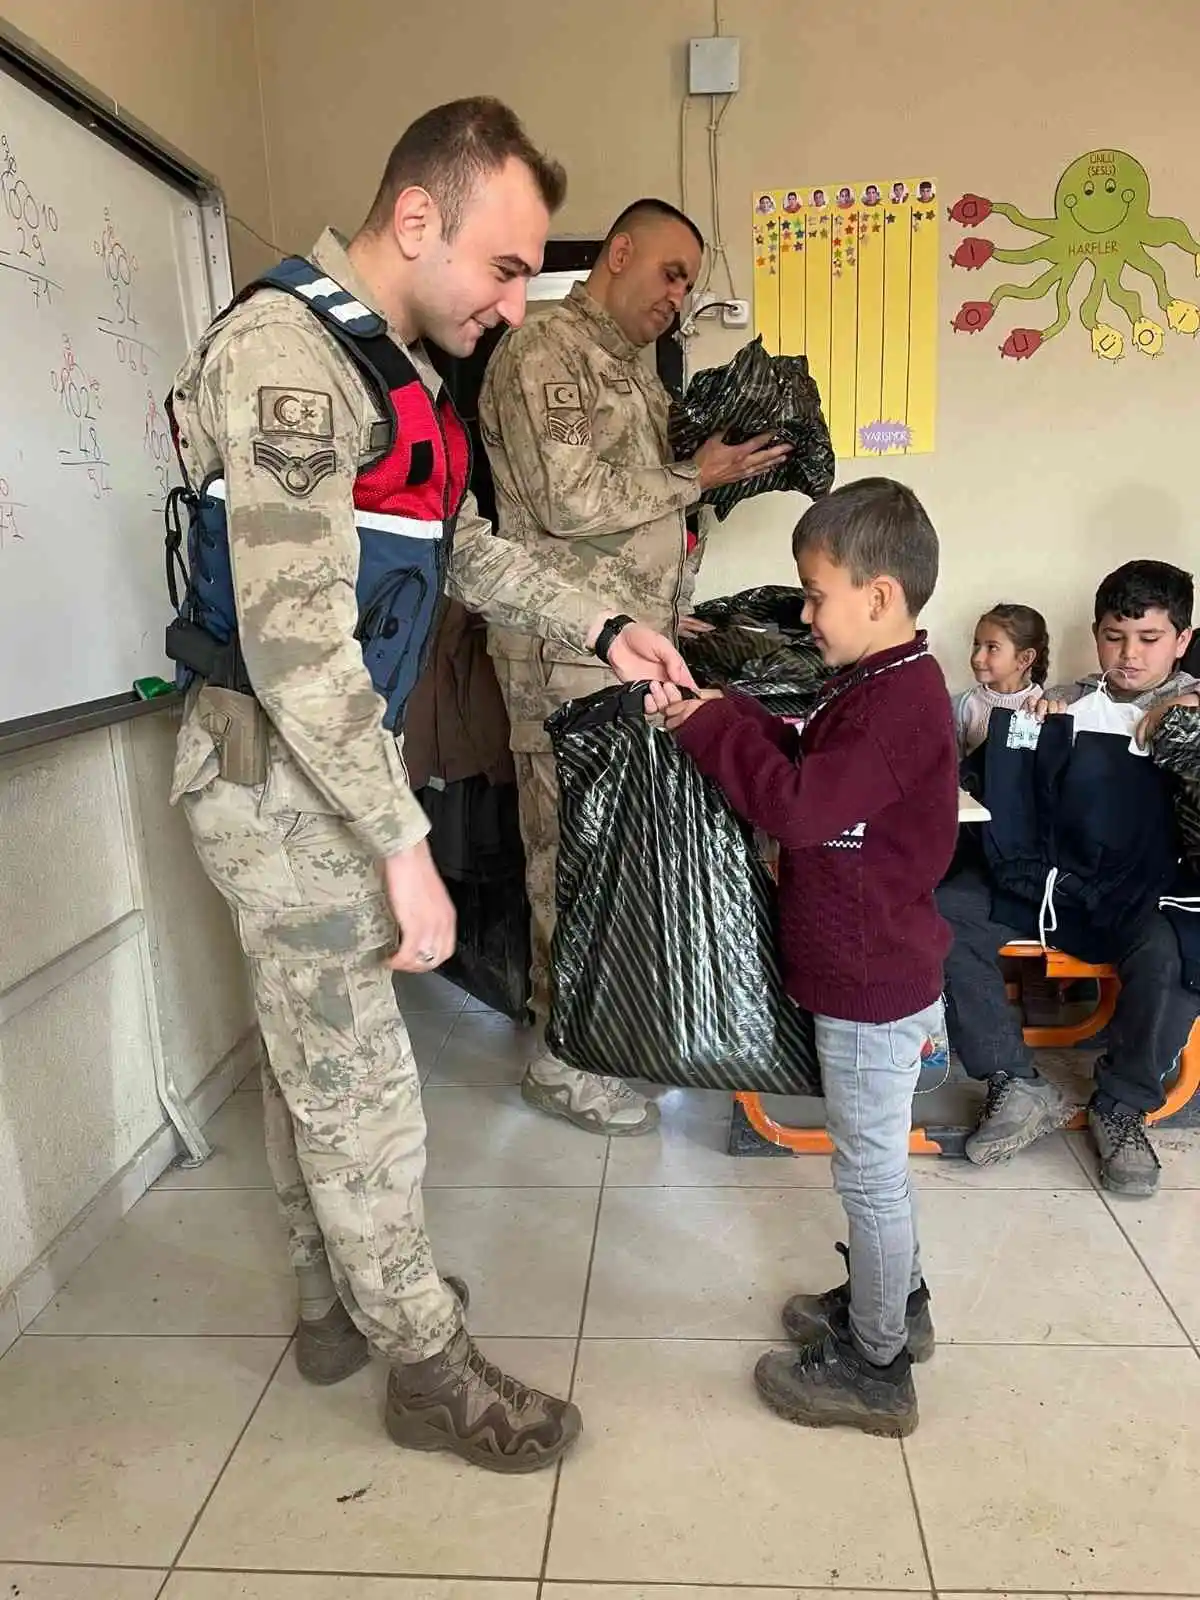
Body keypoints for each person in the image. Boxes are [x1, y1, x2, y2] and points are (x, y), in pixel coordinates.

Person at [164, 97, 697, 1474]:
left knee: (309, 1058)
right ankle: (423, 1363)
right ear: (418, 219)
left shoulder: (388, 369)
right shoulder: (289, 358)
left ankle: (334, 1301)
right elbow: (293, 648)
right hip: (289, 781)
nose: (519, 305)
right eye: (509, 267)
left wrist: (599, 620)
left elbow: (457, 549)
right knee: (360, 1087)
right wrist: (403, 841)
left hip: (315, 773)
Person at [479, 196, 791, 1136]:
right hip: (562, 657)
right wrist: (701, 476)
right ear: (617, 253)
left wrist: (672, 611)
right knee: (568, 859)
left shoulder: (638, 375)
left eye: (689, 281)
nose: (679, 295)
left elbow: (641, 520)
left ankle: (603, 1036)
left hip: (629, 651)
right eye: (670, 272)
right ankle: (563, 1061)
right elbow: (569, 502)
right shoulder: (544, 352)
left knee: (617, 857)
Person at [662, 479, 958, 1437]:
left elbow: (796, 808)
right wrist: (731, 713)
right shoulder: (876, 683)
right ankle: (893, 1308)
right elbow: (805, 756)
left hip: (872, 984)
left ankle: (876, 1370)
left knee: (870, 1175)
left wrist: (711, 733)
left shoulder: (900, 704)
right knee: (873, 1170)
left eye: (815, 593)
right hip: (865, 967)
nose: (804, 611)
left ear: (877, 597)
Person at [938, 560, 1200, 1196]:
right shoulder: (1067, 702)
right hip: (1050, 880)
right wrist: (1034, 735)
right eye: (1115, 637)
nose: (1129, 655)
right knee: (946, 914)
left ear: (1183, 641)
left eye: (1149, 639)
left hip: (1144, 890)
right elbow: (994, 785)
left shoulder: (1189, 708)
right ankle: (1014, 1082)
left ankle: (1122, 1105)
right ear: (1095, 632)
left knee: (1170, 958)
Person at [952, 602, 1049, 756]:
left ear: (1025, 658)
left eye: (992, 647)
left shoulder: (1045, 707)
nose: (977, 658)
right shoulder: (963, 706)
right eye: (977, 644)